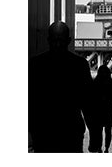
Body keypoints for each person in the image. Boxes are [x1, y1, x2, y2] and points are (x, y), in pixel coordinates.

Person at [28, 21, 93, 153]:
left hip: (43, 131)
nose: (58, 44)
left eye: (60, 41)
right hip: (71, 131)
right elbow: (88, 103)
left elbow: (30, 101)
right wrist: (95, 135)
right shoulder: (80, 65)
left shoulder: (35, 64)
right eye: (55, 41)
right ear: (69, 40)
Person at [88, 64, 112, 153]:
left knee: (99, 130)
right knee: (108, 130)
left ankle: (99, 148)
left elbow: (92, 97)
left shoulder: (95, 83)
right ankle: (107, 148)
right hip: (109, 109)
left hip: (98, 110)